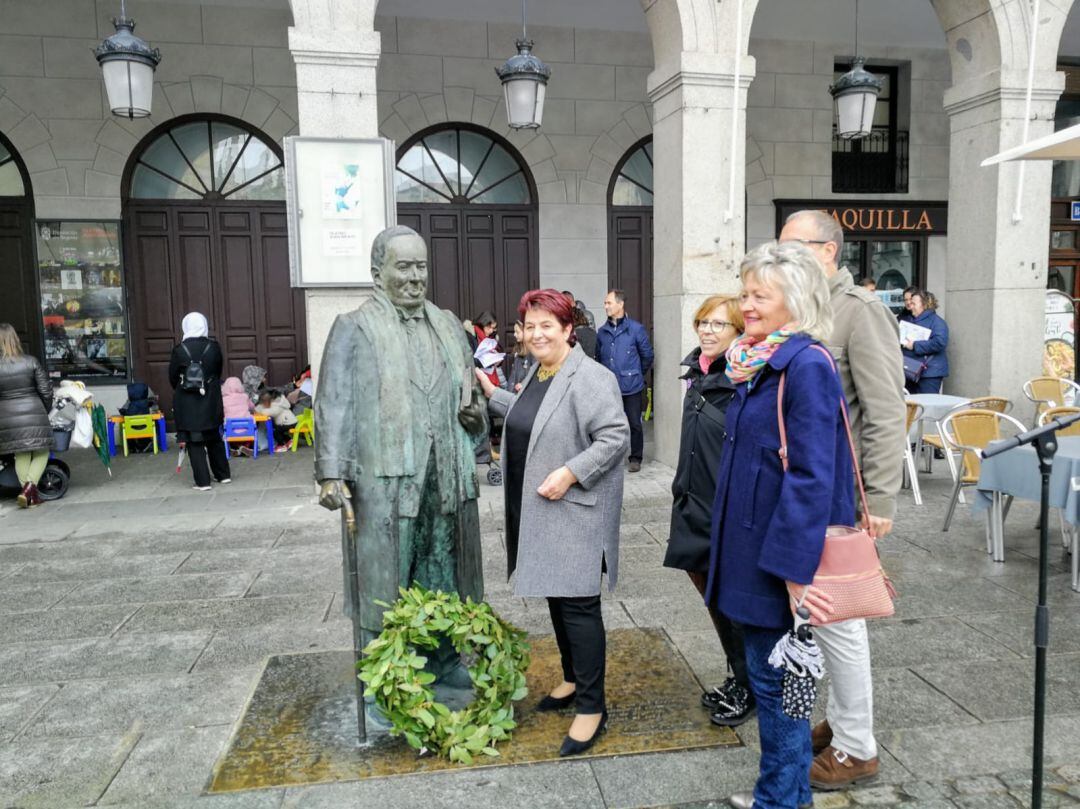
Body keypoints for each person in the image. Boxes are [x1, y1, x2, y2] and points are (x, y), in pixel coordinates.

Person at [315, 225, 488, 732]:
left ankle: (442, 662)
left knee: (444, 570)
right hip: (385, 478)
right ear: (377, 273)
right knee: (386, 577)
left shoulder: (448, 324)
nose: (414, 278)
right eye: (403, 267)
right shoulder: (354, 327)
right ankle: (383, 677)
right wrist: (331, 472)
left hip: (445, 473)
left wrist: (474, 412)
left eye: (420, 267)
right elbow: (335, 403)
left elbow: (469, 397)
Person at [706, 241, 852, 809]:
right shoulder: (757, 361)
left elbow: (815, 477)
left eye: (759, 295)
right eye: (745, 293)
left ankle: (779, 801)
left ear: (795, 299)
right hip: (749, 550)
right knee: (778, 687)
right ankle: (788, 797)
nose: (747, 304)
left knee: (780, 689)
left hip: (777, 563)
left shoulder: (805, 366)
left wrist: (795, 573)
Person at [779, 209, 906, 789]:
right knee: (819, 616)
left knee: (841, 619)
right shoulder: (804, 308)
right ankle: (842, 719)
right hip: (806, 488)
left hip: (840, 497)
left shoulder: (859, 311)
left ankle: (858, 746)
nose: (782, 257)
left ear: (828, 251)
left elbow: (883, 411)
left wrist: (878, 497)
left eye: (792, 246)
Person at [476, 288, 629, 758]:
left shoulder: (591, 376)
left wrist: (569, 473)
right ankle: (571, 677)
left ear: (568, 329)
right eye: (530, 326)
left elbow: (615, 436)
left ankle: (591, 706)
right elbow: (532, 416)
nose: (537, 333)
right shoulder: (539, 373)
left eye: (547, 325)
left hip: (573, 510)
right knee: (558, 601)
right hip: (539, 510)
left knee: (579, 607)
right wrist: (491, 392)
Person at [664, 294, 753, 727]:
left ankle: (751, 684)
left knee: (732, 601)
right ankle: (739, 674)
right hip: (692, 504)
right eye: (703, 322)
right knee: (713, 600)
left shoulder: (743, 378)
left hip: (725, 509)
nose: (707, 330)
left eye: (719, 324)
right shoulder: (696, 373)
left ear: (738, 330)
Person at [169, 312, 231, 491]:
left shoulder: (179, 349)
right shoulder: (214, 347)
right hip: (210, 397)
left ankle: (203, 481)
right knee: (214, 436)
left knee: (194, 440)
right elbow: (218, 371)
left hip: (187, 401)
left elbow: (172, 377)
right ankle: (223, 474)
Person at [596, 289, 654, 473]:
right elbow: (598, 357)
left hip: (631, 387)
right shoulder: (602, 332)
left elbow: (647, 356)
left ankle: (635, 457)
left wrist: (635, 373)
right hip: (609, 387)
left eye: (609, 303)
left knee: (634, 424)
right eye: (605, 303)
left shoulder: (636, 329)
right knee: (608, 424)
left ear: (620, 304)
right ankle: (611, 457)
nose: (605, 306)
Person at [0, 323, 53, 508]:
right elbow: (46, 390)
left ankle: (29, 496)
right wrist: (44, 410)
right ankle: (29, 489)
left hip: (6, 417)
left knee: (21, 454)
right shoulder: (30, 361)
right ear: (15, 339)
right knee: (42, 451)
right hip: (34, 412)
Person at [900, 289, 949, 395]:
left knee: (927, 405)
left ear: (925, 305)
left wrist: (915, 345)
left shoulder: (937, 322)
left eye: (914, 303)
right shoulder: (908, 320)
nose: (910, 306)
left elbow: (939, 343)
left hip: (929, 374)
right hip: (909, 371)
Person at [505, 320, 534, 393]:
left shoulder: (533, 353)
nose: (514, 334)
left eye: (517, 332)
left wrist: (523, 384)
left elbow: (535, 375)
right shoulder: (518, 351)